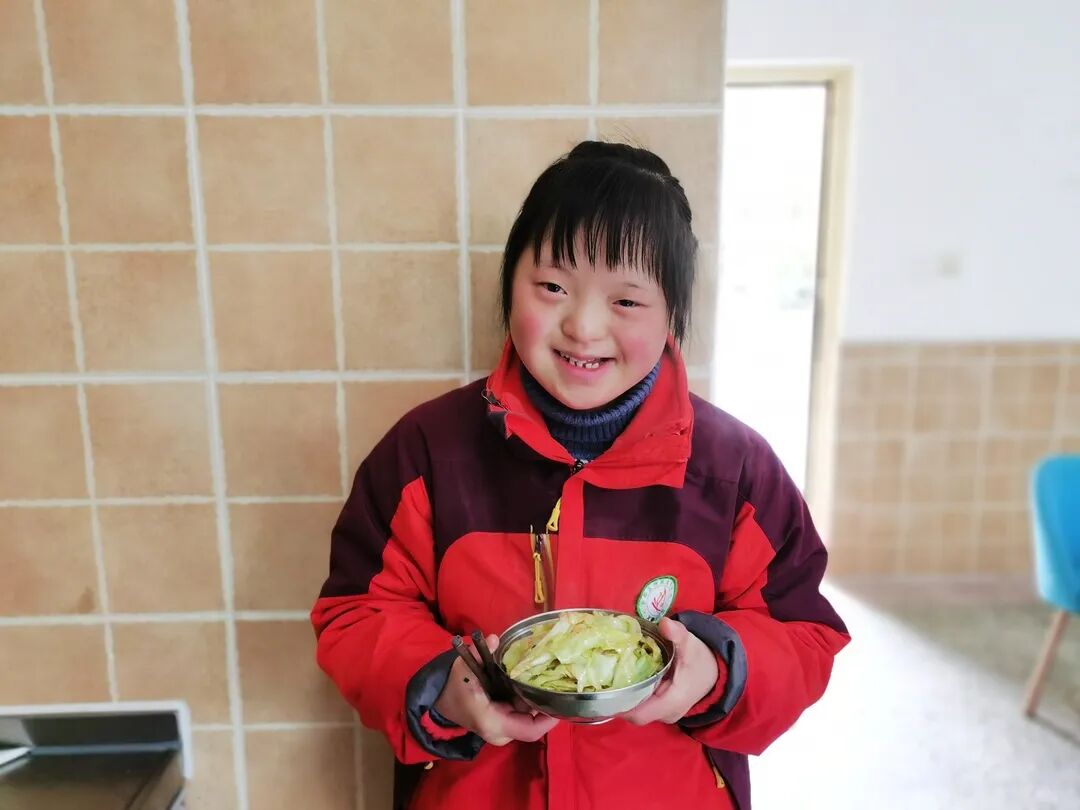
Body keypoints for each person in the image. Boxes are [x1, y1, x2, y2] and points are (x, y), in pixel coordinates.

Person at [312, 141, 850, 810]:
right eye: (553, 288)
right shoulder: (425, 452)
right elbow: (357, 612)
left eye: (626, 300)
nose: (583, 327)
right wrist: (443, 688)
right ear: (509, 283)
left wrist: (717, 671)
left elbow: (804, 635)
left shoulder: (735, 471)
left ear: (672, 313)